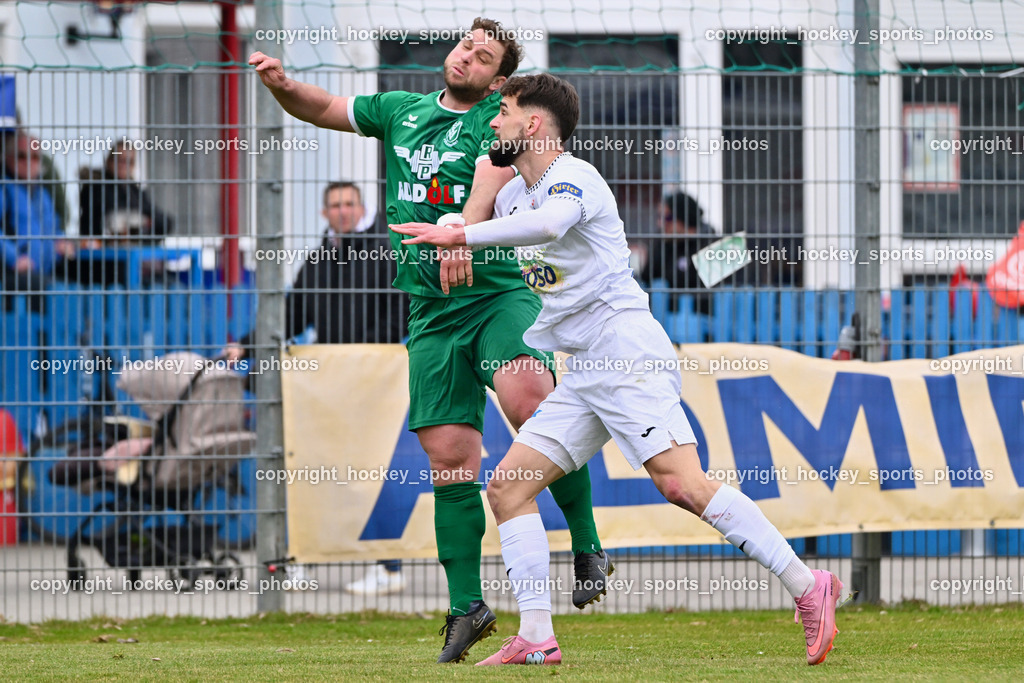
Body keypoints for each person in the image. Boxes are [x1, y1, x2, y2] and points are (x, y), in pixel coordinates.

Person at [391, 73, 843, 667]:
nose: (492, 121)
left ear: (533, 124)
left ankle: (810, 586)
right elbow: (481, 211)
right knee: (508, 488)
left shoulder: (573, 178)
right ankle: (536, 636)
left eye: (503, 112)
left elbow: (548, 226)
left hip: (625, 352)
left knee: (682, 485)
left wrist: (463, 231)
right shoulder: (513, 193)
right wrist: (468, 208)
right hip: (585, 368)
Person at [250, 17, 612, 663]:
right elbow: (324, 107)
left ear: (498, 81)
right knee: (449, 458)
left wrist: (460, 233)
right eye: (466, 44)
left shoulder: (499, 119)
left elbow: (495, 173)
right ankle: (467, 606)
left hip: (498, 294)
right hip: (430, 311)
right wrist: (282, 85)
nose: (468, 56)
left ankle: (586, 542)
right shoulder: (401, 110)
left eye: (485, 56)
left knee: (532, 404)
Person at [225, 181, 409, 596]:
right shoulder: (319, 259)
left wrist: (357, 356)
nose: (343, 211)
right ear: (325, 213)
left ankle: (388, 567)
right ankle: (302, 559)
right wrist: (247, 344)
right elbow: (291, 313)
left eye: (349, 203)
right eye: (335, 205)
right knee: (318, 471)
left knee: (374, 473)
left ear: (360, 207)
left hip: (373, 383)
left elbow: (400, 313)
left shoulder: (385, 252)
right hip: (330, 386)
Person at [0, 130, 75, 312]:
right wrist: (13, 258)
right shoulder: (4, 190)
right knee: (55, 293)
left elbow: (54, 228)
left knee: (77, 286)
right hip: (11, 272)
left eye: (34, 157)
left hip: (43, 271)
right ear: (8, 158)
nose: (28, 162)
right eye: (21, 156)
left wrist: (61, 243)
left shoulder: (43, 195)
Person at [79, 139, 174, 243]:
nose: (124, 165)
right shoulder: (96, 186)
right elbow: (108, 219)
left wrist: (141, 222)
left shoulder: (133, 190)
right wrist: (141, 220)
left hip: (134, 247)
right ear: (109, 161)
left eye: (129, 162)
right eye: (120, 160)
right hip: (103, 248)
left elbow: (163, 221)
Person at [638, 192, 714, 317]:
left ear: (684, 217)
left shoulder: (711, 245)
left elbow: (709, 297)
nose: (660, 223)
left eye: (667, 218)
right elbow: (646, 280)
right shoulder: (662, 243)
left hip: (702, 320)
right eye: (659, 217)